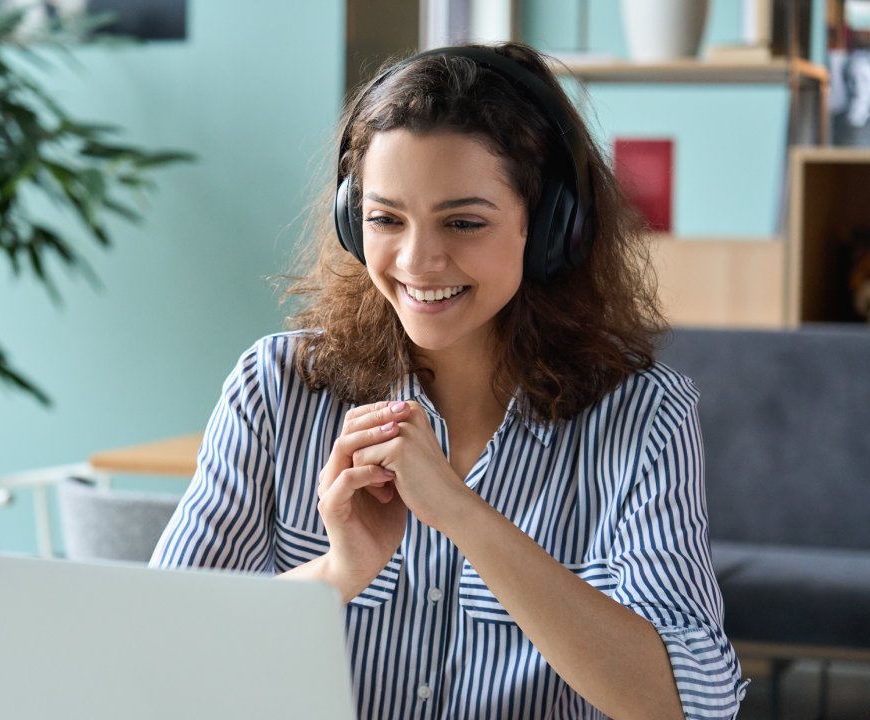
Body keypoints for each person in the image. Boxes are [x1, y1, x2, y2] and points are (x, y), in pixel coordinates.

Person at [150, 41, 746, 719]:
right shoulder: (276, 388)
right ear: (353, 220)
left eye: (463, 222)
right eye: (384, 219)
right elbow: (158, 653)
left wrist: (462, 516)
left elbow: (691, 703)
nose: (418, 260)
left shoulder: (642, 419)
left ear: (551, 227)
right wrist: (336, 575)